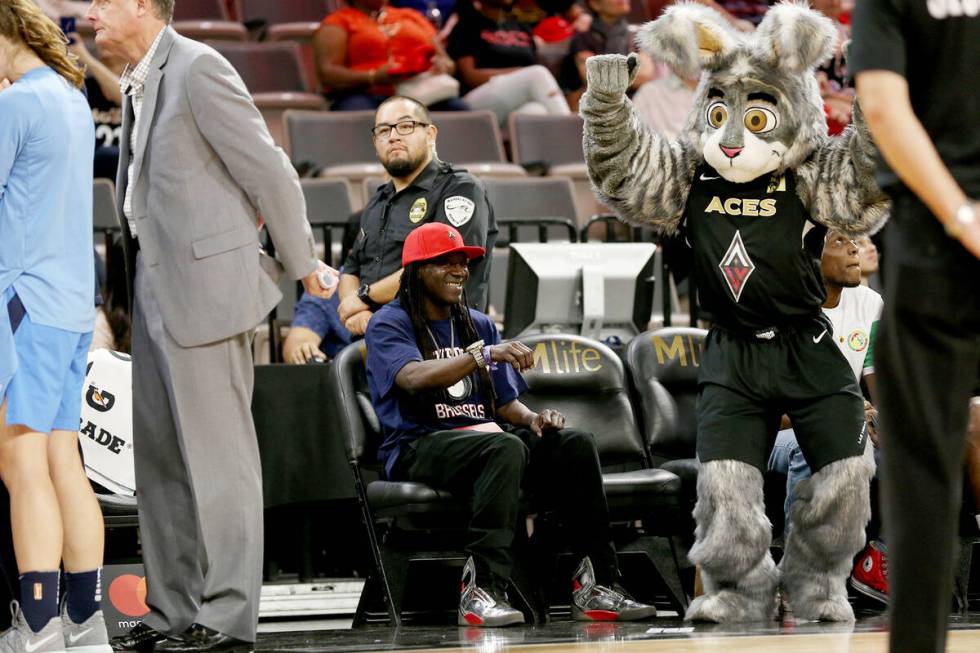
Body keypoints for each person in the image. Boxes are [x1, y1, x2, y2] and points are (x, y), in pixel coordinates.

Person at [84, 1, 337, 651]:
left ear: (142, 6)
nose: (90, 14)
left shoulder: (199, 68)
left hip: (207, 292)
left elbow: (268, 169)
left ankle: (226, 615)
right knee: (162, 464)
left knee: (220, 465)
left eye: (103, 2)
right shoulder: (143, 79)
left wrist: (302, 265)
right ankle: (172, 609)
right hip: (152, 289)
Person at [364, 222, 656, 626]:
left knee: (574, 445)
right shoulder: (390, 322)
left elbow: (505, 404)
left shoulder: (478, 324)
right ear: (416, 271)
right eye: (445, 262)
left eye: (463, 263)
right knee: (504, 447)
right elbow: (412, 377)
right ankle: (482, 588)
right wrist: (482, 356)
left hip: (488, 443)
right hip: (419, 444)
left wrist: (534, 419)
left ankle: (598, 583)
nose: (459, 271)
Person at [851, 3, 980, 651]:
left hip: (935, 242)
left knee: (925, 474)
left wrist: (962, 215)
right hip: (938, 242)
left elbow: (881, 103)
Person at [0, 2, 109, 652]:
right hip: (70, 304)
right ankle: (83, 623)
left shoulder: (18, 105)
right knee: (64, 458)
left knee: (22, 460)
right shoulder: (69, 96)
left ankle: (37, 627)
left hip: (25, 302)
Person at [337, 96, 497, 336]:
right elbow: (351, 269)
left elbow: (436, 267)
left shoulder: (460, 188)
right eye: (383, 130)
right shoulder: (376, 202)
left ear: (430, 134)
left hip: (441, 344)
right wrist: (357, 313)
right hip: (375, 342)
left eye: (405, 126)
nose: (393, 136)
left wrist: (363, 298)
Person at [313, 0, 467, 111]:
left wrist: (444, 66)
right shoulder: (339, 21)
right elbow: (328, 73)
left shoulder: (410, 16)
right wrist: (373, 77)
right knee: (362, 115)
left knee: (461, 112)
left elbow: (446, 61)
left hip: (422, 90)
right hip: (364, 94)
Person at [447, 0, 570, 127]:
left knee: (537, 111)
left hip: (514, 100)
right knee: (537, 73)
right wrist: (519, 73)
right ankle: (576, 138)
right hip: (476, 100)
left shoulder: (521, 28)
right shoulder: (467, 26)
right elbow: (469, 76)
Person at [559, 0, 655, 112]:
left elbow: (646, 77)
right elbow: (594, 78)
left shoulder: (636, 38)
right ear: (595, 4)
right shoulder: (583, 39)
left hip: (634, 106)